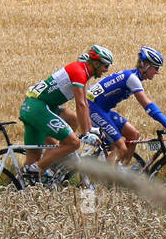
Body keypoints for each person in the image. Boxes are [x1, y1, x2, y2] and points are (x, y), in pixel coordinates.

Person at [18, 45, 112, 181]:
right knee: (74, 143)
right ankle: (37, 169)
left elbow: (84, 104)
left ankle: (20, 185)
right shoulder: (79, 72)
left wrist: (91, 129)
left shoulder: (83, 72)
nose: (106, 70)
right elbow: (79, 104)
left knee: (73, 120)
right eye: (106, 66)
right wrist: (86, 134)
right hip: (38, 108)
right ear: (96, 63)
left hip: (36, 107)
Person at [85, 46, 166, 165]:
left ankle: (122, 173)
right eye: (156, 68)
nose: (157, 72)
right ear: (146, 66)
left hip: (101, 109)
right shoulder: (132, 78)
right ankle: (106, 182)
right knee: (120, 148)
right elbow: (148, 106)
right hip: (93, 108)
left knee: (134, 134)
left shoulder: (132, 77)